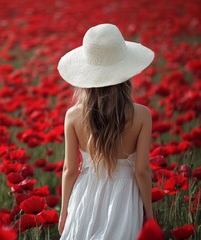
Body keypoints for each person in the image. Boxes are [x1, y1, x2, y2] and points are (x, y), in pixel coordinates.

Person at [57, 23, 155, 239]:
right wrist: (149, 213)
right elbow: (141, 171)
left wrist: (64, 212)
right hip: (124, 199)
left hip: (85, 195)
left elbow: (70, 170)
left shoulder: (73, 116)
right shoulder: (141, 115)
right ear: (126, 71)